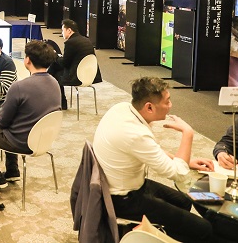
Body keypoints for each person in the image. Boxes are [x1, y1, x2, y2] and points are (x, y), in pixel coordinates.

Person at [92, 77, 217, 243]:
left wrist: (186, 161)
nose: (171, 105)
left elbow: (151, 150)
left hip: (123, 185)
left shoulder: (122, 108)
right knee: (204, 229)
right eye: (167, 101)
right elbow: (179, 174)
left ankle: (161, 235)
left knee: (183, 201)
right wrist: (188, 133)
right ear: (149, 107)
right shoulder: (135, 134)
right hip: (123, 199)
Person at [0, 41, 61, 188]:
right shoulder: (55, 83)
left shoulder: (19, 87)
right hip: (44, 139)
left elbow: (2, 122)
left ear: (27, 60)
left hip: (20, 141)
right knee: (3, 125)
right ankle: (12, 170)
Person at [48, 19, 101, 110]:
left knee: (55, 71)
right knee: (55, 66)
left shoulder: (71, 43)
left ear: (69, 30)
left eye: (63, 30)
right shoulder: (86, 40)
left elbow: (64, 63)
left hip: (77, 77)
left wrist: (55, 55)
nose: (62, 32)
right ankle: (60, 101)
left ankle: (61, 101)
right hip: (90, 75)